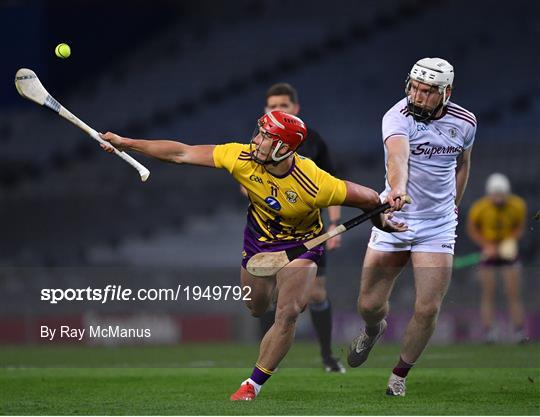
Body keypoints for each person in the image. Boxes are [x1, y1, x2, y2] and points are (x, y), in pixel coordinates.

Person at [100, 110, 407, 401]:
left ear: (283, 147)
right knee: (256, 307)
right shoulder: (241, 157)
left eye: (265, 137)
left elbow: (370, 199)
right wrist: (127, 143)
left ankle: (252, 385)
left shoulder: (315, 184)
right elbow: (181, 152)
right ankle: (269, 314)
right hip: (259, 244)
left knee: (288, 311)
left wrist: (384, 219)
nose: (255, 141)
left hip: (303, 245)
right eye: (259, 133)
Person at [346, 57, 476, 396]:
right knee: (369, 305)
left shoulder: (465, 122)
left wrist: (454, 205)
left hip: (438, 225)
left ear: (446, 92)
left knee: (428, 306)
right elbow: (397, 158)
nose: (417, 96)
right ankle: (373, 330)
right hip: (395, 218)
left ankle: (399, 376)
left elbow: (463, 163)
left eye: (427, 91)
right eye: (414, 88)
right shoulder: (396, 116)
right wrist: (399, 189)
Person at [255, 82, 345, 373]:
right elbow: (245, 182)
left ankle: (328, 357)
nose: (277, 110)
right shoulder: (259, 140)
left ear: (296, 109)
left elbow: (334, 186)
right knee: (267, 294)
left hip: (310, 230)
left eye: (283, 105)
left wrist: (333, 223)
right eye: (272, 106)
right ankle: (266, 359)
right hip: (268, 230)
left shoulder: (314, 141)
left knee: (317, 293)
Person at [467, 173, 527, 343]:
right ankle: (489, 332)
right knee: (488, 292)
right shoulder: (480, 208)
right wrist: (487, 245)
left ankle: (519, 331)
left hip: (508, 250)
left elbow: (519, 227)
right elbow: (472, 229)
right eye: (495, 194)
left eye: (501, 194)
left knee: (513, 292)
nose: (498, 198)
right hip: (488, 251)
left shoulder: (517, 205)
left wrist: (508, 243)